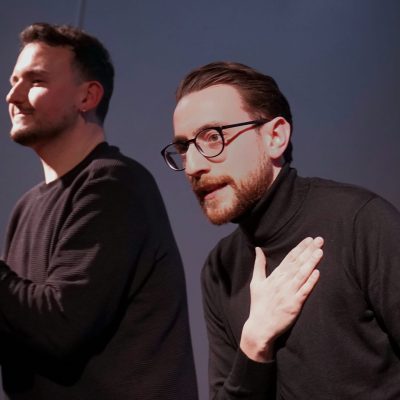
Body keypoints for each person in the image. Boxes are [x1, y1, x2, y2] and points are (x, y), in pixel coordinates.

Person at [161, 61, 400, 399]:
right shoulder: (220, 268)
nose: (194, 167)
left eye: (213, 138)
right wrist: (254, 344)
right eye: (185, 148)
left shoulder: (361, 222)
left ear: (275, 137)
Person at [0, 22, 198, 400]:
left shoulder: (114, 185)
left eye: (35, 81)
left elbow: (61, 327)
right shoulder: (26, 208)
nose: (13, 95)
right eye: (13, 81)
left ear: (87, 96)